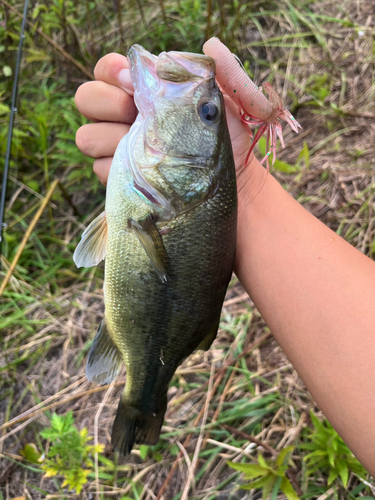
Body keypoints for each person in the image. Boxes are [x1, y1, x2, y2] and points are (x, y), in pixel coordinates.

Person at [74, 52, 375, 476]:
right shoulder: (178, 188)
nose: (206, 107)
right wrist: (243, 184)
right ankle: (145, 400)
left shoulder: (170, 189)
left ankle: (141, 400)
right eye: (210, 112)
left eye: (206, 112)